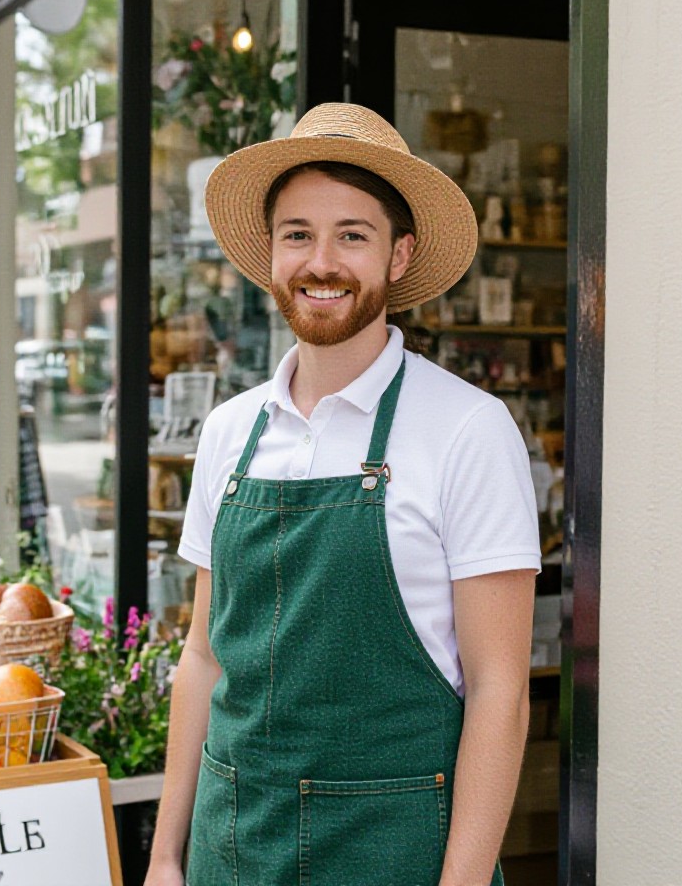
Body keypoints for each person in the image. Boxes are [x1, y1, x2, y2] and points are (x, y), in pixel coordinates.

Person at [144, 103, 540, 886]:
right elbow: (203, 656)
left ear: (399, 255)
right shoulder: (228, 431)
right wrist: (164, 857)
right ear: (271, 254)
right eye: (298, 234)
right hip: (230, 849)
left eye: (352, 236)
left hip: (393, 852)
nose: (321, 262)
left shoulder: (467, 428)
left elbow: (501, 692)